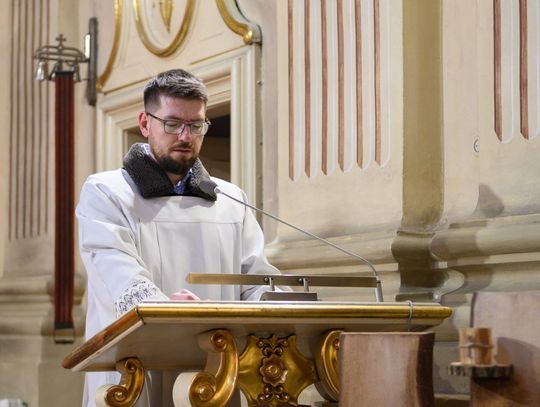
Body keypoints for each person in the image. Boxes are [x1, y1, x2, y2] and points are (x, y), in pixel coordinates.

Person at [76, 68, 279, 406]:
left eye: (196, 125)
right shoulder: (107, 192)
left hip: (215, 371)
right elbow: (118, 273)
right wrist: (168, 311)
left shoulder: (230, 199)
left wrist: (280, 305)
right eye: (172, 124)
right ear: (145, 123)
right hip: (135, 370)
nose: (185, 136)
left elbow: (254, 278)